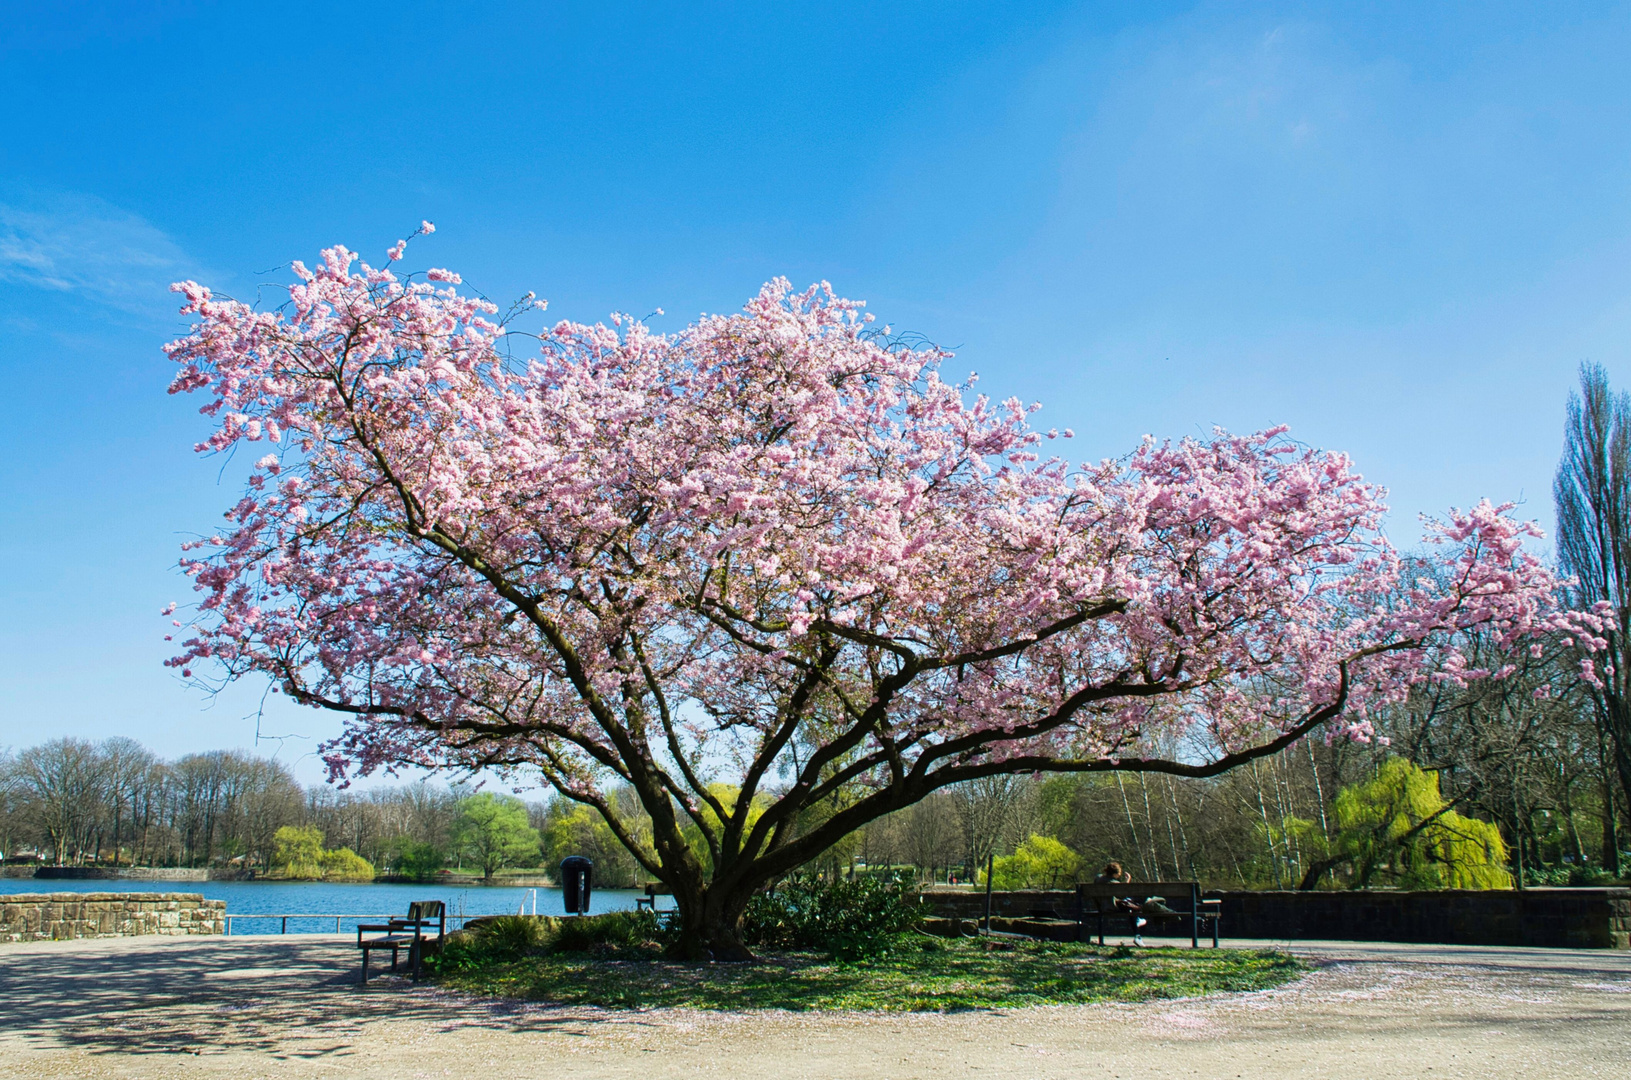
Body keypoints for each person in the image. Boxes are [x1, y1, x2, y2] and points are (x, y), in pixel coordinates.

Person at [1094, 862, 1149, 946]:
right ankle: (1137, 935)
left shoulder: (1098, 879)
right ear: (1115, 874)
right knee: (1131, 907)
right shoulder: (1113, 883)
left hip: (1101, 906)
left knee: (1129, 905)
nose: (1119, 875)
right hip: (1112, 907)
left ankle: (1137, 923)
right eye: (1119, 874)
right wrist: (1127, 881)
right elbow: (1123, 894)